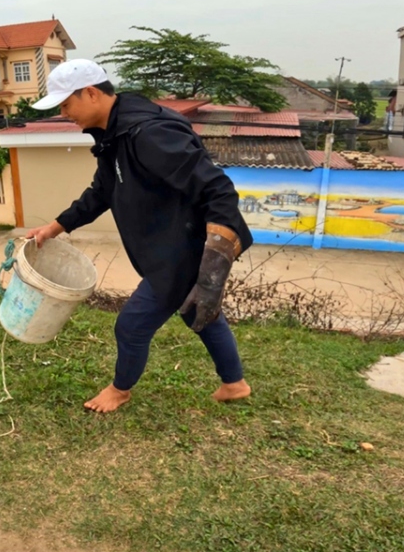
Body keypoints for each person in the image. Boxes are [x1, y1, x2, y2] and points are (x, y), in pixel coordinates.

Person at [24, 59, 254, 413]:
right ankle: (234, 383)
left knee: (131, 326)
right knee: (200, 313)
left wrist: (216, 252)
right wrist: (55, 227)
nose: (64, 112)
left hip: (183, 250)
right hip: (165, 246)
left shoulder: (148, 133)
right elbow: (102, 191)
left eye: (66, 104)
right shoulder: (113, 134)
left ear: (91, 93)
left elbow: (218, 187)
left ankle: (120, 390)